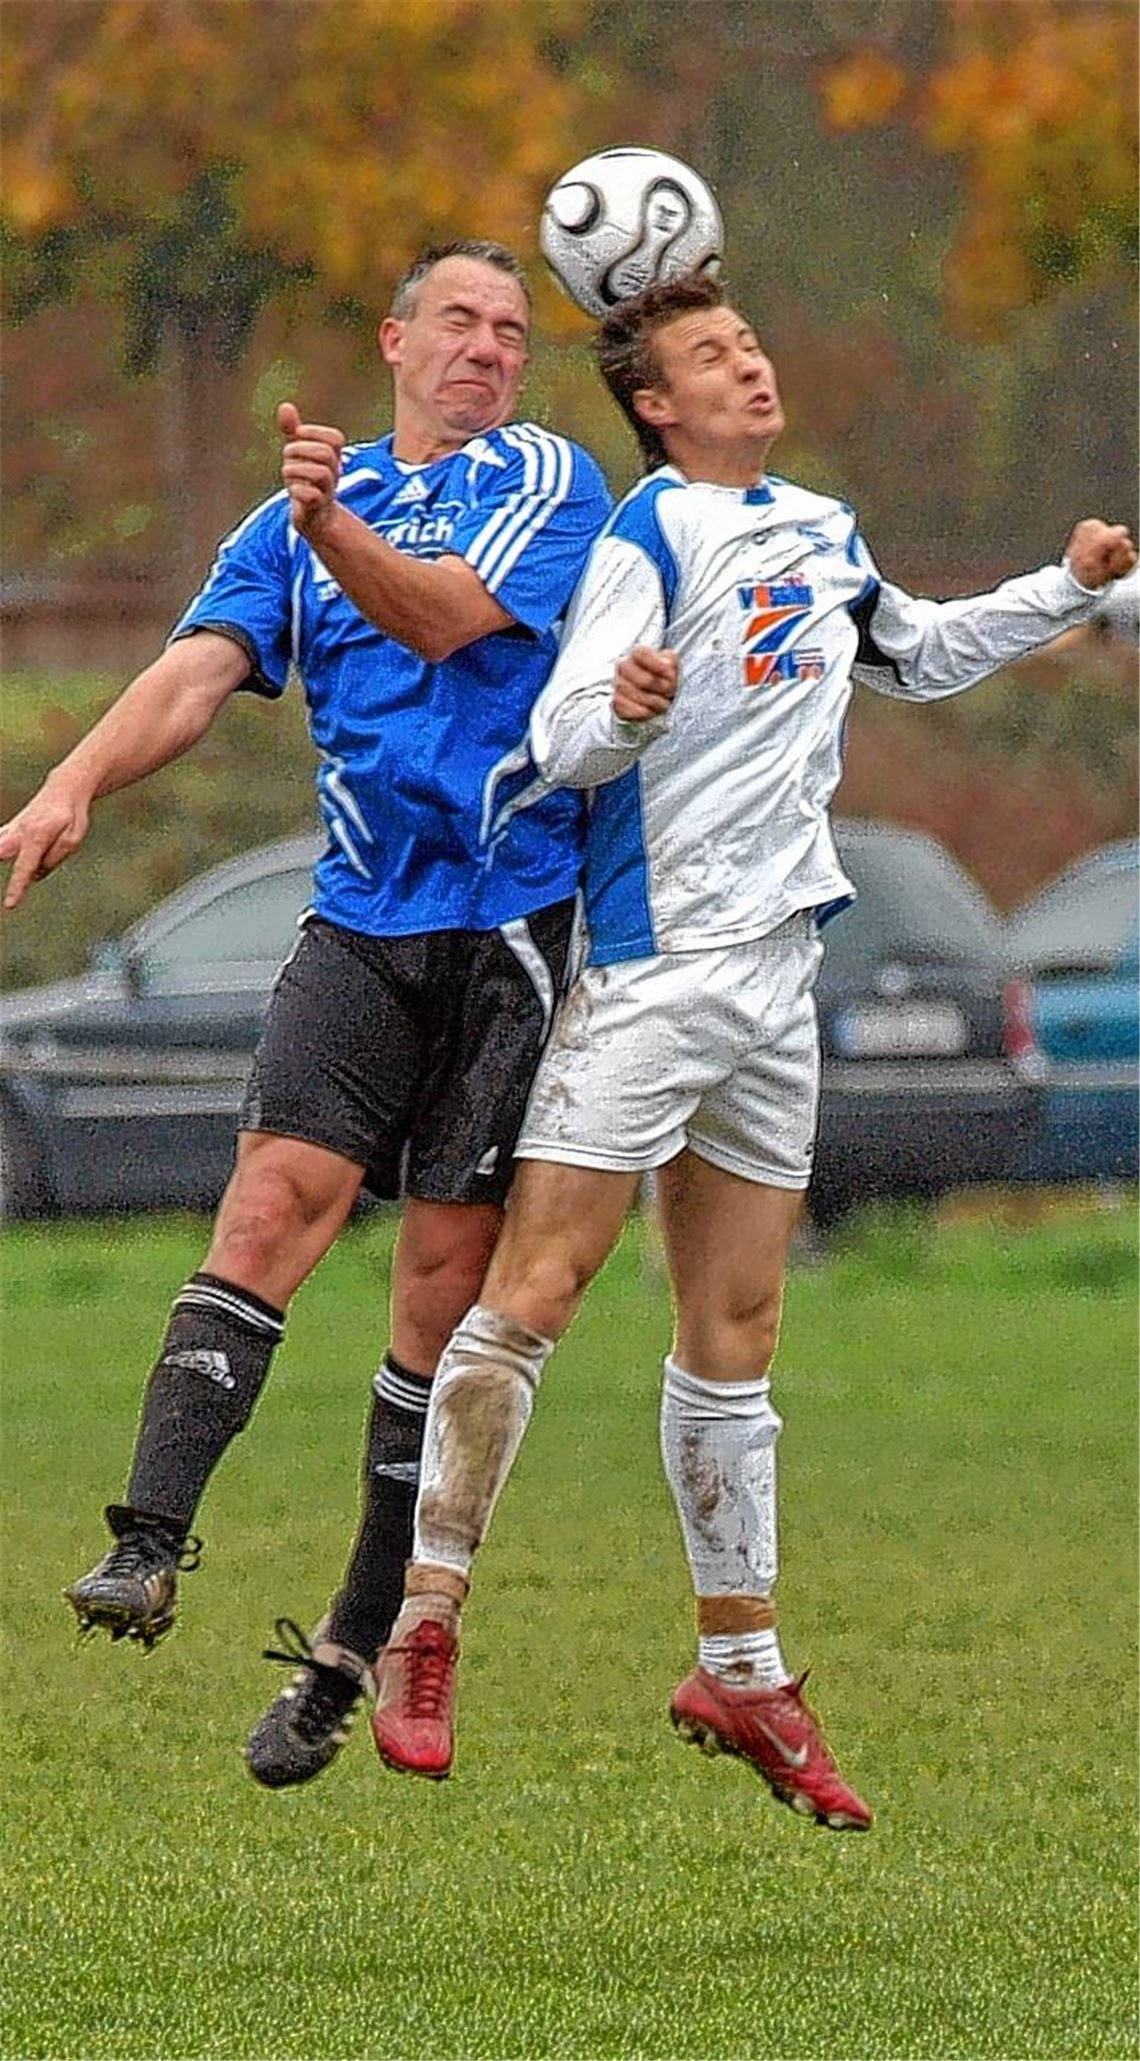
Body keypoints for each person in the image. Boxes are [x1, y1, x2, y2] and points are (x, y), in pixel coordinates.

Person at [366, 269, 1138, 1830]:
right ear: (657, 403)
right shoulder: (651, 534)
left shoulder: (823, 524)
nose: (751, 365)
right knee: (539, 1293)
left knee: (739, 1327)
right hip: (657, 970)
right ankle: (423, 1618)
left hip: (782, 978)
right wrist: (629, 711)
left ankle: (744, 1667)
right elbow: (563, 734)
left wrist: (1061, 586)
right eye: (715, 354)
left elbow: (911, 651)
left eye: (752, 342)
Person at [0, 240, 612, 1787]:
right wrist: (68, 783)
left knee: (431, 1304)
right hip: (358, 926)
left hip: (508, 938)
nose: (487, 350)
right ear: (392, 338)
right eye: (458, 323)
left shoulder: (542, 477)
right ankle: (145, 1543)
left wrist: (327, 521)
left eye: (512, 331)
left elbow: (447, 621)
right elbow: (196, 671)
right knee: (269, 1203)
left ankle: (350, 1645)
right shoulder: (291, 524)